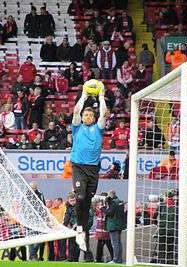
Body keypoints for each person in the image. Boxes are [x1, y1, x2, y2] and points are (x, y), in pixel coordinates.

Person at [70, 80, 107, 254]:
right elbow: (76, 110)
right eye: (86, 115)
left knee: (86, 204)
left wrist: (101, 96)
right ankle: (79, 228)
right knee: (81, 195)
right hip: (78, 167)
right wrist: (84, 95)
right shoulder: (77, 127)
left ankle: (82, 235)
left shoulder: (98, 129)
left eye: (90, 115)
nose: (87, 117)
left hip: (93, 169)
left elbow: (104, 114)